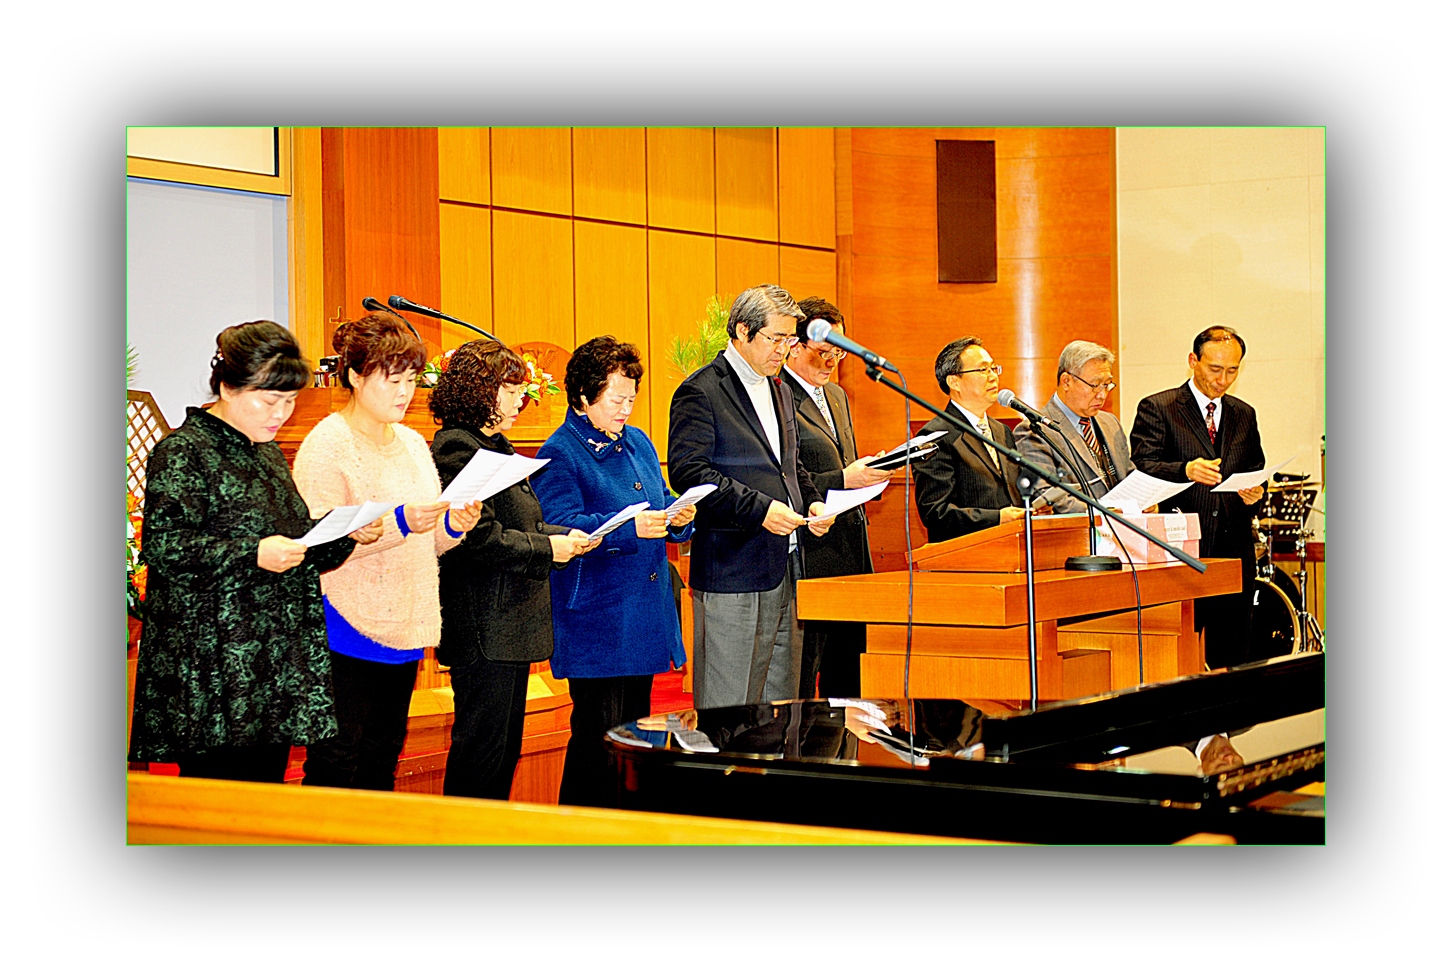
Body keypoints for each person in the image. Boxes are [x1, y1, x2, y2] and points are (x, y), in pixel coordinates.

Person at [127, 321, 383, 783]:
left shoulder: (266, 453)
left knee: (264, 799)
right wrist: (253, 554)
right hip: (213, 668)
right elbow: (165, 546)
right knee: (218, 802)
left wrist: (344, 533)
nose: (280, 414)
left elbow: (294, 542)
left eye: (289, 401)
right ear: (228, 387)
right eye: (269, 401)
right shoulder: (183, 450)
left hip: (271, 665)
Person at [291, 313, 482, 791]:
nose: (405, 393)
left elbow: (429, 541)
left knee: (382, 761)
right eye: (392, 380)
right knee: (337, 765)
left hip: (405, 624)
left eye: (411, 380)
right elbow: (318, 545)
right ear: (355, 376)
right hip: (346, 625)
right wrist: (400, 522)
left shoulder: (414, 444)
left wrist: (453, 526)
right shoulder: (327, 445)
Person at [533, 336, 697, 807]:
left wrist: (679, 516)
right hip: (598, 619)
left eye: (631, 398)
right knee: (597, 743)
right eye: (616, 399)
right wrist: (631, 529)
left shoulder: (637, 441)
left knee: (633, 743)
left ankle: (624, 830)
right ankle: (579, 834)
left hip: (642, 614)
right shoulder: (560, 452)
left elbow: (658, 500)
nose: (626, 409)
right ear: (584, 397)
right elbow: (559, 524)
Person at [430, 340, 599, 800]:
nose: (520, 401)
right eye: (510, 391)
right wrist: (548, 548)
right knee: (481, 754)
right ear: (479, 391)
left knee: (503, 751)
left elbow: (522, 523)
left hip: (510, 623)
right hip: (484, 624)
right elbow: (478, 538)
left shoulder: (495, 445)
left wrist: (566, 535)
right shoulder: (457, 447)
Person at [667, 283, 836, 710]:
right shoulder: (701, 391)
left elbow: (790, 465)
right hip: (734, 571)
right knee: (729, 709)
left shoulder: (780, 390)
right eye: (775, 338)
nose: (784, 350)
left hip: (788, 566)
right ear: (742, 330)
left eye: (790, 339)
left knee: (781, 710)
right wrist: (760, 510)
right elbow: (691, 473)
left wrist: (813, 502)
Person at [1130, 325, 1266, 669]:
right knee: (1179, 653)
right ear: (1193, 361)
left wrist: (1256, 494)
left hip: (1234, 550)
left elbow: (1256, 468)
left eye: (1232, 370)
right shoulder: (1159, 407)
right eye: (1215, 369)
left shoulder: (1244, 413)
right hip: (1181, 550)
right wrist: (1185, 470)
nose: (1223, 380)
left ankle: (1230, 706)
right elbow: (1142, 467)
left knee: (1233, 654)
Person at [781, 297, 888, 698]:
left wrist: (869, 473)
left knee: (850, 677)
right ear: (795, 346)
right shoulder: (779, 397)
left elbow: (844, 460)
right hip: (811, 551)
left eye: (839, 352)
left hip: (851, 547)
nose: (831, 361)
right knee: (806, 676)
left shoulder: (838, 396)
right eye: (823, 351)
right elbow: (786, 477)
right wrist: (846, 477)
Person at [913, 336, 1026, 544]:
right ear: (954, 381)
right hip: (968, 553)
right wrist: (997, 518)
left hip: (1014, 547)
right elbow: (935, 512)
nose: (993, 377)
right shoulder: (934, 436)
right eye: (983, 370)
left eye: (994, 368)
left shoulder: (1002, 431)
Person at [1013, 340, 1136, 512]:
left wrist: (1143, 501)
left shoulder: (1110, 423)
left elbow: (1129, 477)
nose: (1102, 395)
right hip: (1083, 526)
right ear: (1066, 382)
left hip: (1124, 524)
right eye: (1095, 385)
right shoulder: (1035, 431)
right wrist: (1107, 513)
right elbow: (1046, 497)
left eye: (1107, 385)